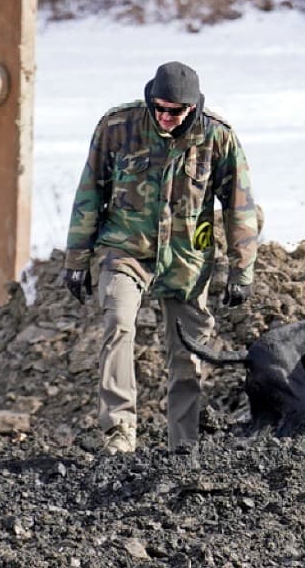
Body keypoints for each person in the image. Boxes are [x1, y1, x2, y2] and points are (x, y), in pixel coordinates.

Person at [62, 61, 260, 453]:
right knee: (118, 323)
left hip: (186, 259)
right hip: (126, 250)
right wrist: (76, 260)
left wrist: (243, 270)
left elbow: (240, 206)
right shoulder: (118, 127)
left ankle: (182, 445)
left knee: (187, 351)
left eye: (176, 111)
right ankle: (119, 433)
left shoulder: (217, 138)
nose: (166, 117)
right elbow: (89, 193)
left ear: (194, 108)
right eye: (160, 108)